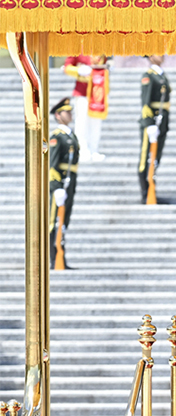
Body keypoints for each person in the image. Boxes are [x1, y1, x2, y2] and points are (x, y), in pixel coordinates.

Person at [48, 98, 79, 269]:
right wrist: (56, 187)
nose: (70, 114)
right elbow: (52, 165)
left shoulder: (70, 135)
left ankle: (61, 257)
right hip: (59, 183)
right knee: (54, 221)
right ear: (58, 115)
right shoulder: (57, 137)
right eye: (67, 111)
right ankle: (54, 258)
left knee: (64, 221)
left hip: (70, 181)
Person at [63, 54, 109, 162]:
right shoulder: (78, 48)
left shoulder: (101, 49)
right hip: (82, 92)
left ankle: (94, 150)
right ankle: (82, 150)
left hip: (97, 93)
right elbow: (67, 67)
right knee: (82, 123)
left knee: (96, 123)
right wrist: (78, 70)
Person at [138, 55, 171, 203]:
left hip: (162, 121)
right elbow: (146, 102)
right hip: (152, 122)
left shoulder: (161, 74)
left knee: (155, 158)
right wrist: (149, 123)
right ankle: (146, 192)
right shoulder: (149, 76)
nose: (162, 54)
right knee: (147, 158)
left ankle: (152, 190)